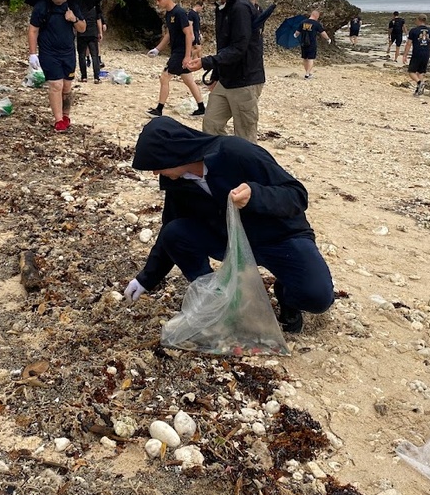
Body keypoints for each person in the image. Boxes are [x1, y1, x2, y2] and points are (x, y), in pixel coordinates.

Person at [122, 117, 335, 334]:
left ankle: (286, 296)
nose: (155, 174)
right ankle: (217, 298)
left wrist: (256, 195)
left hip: (280, 236)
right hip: (230, 240)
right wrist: (145, 280)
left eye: (156, 166)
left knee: (317, 297)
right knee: (175, 233)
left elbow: (297, 195)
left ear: (172, 153)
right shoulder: (178, 182)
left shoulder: (235, 152)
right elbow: (169, 232)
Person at [184, 0, 263, 142]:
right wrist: (216, 75)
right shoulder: (222, 6)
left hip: (245, 80)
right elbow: (224, 45)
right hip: (226, 79)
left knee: (245, 135)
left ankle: (245, 167)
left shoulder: (241, 6)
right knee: (211, 125)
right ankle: (222, 161)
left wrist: (206, 62)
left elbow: (239, 48)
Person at [28, 0, 87, 132]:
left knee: (67, 86)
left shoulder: (73, 5)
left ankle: (66, 115)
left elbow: (82, 28)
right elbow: (33, 30)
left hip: (68, 52)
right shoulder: (42, 6)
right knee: (56, 85)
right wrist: (33, 53)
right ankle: (58, 120)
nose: (59, 0)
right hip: (49, 52)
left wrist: (73, 19)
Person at [147, 0, 205, 118]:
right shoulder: (169, 14)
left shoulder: (179, 13)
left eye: (159, 0)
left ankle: (159, 109)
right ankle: (201, 108)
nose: (157, 3)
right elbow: (169, 34)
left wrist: (186, 56)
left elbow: (189, 34)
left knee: (164, 77)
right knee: (189, 80)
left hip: (180, 52)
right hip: (176, 51)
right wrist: (157, 49)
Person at [293, 9, 331, 79]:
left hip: (303, 42)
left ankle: (308, 73)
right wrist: (328, 39)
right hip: (311, 43)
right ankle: (307, 74)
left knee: (305, 58)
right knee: (311, 58)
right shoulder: (316, 23)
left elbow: (297, 32)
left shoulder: (303, 22)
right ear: (316, 16)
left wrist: (295, 35)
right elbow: (323, 33)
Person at [402, 14, 430, 96]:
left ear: (418, 20)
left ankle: (419, 83)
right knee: (421, 72)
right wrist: (429, 55)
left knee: (411, 71)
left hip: (417, 53)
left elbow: (409, 44)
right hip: (426, 53)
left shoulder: (414, 30)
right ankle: (419, 90)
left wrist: (405, 55)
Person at [77, 4, 106, 83]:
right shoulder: (95, 6)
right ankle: (96, 77)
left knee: (81, 56)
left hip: (81, 34)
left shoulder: (79, 6)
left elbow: (76, 20)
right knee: (95, 56)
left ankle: (84, 77)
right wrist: (100, 33)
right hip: (93, 33)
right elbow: (98, 20)